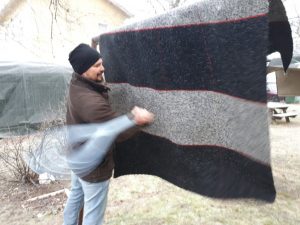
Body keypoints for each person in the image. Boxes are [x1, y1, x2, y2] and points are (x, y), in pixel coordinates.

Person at [63, 43, 154, 225]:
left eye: (101, 63)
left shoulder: (77, 83)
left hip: (78, 158)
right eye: (96, 66)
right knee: (94, 217)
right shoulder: (91, 102)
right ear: (82, 70)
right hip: (94, 167)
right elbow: (115, 130)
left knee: (75, 199)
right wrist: (137, 119)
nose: (102, 68)